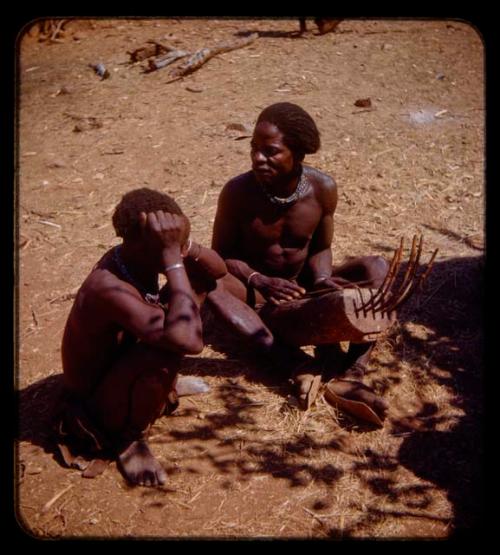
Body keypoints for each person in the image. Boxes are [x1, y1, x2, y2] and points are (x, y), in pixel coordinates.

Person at [207, 102, 390, 418]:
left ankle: (354, 370)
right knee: (208, 281)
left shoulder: (322, 188)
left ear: (298, 154)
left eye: (271, 151)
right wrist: (258, 279)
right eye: (254, 148)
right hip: (255, 291)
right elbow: (221, 255)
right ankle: (295, 363)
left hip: (303, 284)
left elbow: (321, 247)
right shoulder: (237, 192)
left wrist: (320, 279)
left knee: (377, 267)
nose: (257, 158)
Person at [56, 188, 227, 486]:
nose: (178, 249)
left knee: (198, 281)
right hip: (94, 403)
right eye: (169, 244)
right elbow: (190, 343)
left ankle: (158, 391)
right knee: (165, 352)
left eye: (179, 241)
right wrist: (174, 260)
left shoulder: (136, 259)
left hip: (120, 366)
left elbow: (218, 271)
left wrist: (184, 247)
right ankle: (127, 438)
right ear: (142, 245)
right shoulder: (109, 288)